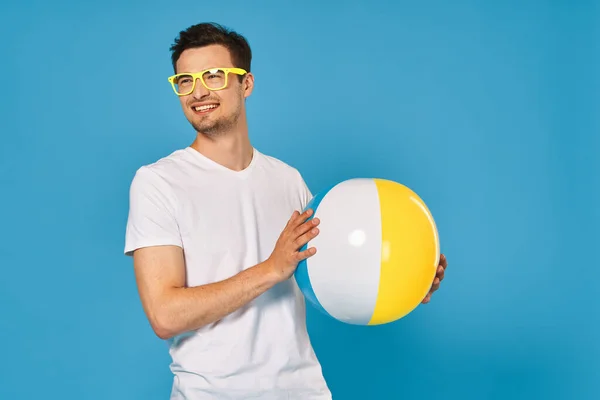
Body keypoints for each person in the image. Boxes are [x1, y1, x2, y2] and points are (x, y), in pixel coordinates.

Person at [124, 22, 448, 399]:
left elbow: (330, 270)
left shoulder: (287, 180)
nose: (198, 92)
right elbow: (165, 315)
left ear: (246, 84)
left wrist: (407, 277)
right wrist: (270, 269)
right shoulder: (158, 183)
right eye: (185, 80)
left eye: (213, 76)